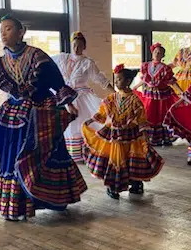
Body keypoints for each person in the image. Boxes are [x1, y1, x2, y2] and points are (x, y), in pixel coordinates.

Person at [0, 15, 87, 221]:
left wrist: (69, 104)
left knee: (47, 155)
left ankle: (54, 199)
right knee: (14, 157)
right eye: (1, 30)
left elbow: (56, 82)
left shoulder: (38, 57)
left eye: (8, 29)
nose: (3, 34)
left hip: (41, 116)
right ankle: (17, 206)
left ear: (21, 32)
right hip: (15, 117)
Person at [82, 64, 164, 199]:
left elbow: (141, 118)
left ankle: (136, 184)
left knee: (130, 159)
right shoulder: (111, 98)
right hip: (113, 133)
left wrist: (145, 136)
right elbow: (102, 113)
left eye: (119, 79)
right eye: (115, 79)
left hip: (131, 134)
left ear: (127, 82)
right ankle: (113, 186)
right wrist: (90, 121)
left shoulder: (135, 100)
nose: (116, 82)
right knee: (114, 159)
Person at [52, 31, 113, 162]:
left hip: (82, 96)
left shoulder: (87, 63)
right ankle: (70, 153)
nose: (76, 48)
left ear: (84, 47)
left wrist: (114, 92)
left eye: (79, 45)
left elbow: (100, 79)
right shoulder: (62, 58)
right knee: (67, 124)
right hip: (64, 96)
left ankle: (86, 151)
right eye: (74, 45)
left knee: (82, 121)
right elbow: (47, 64)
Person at [133, 42, 180, 146]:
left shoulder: (165, 68)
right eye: (156, 52)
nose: (157, 54)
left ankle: (164, 138)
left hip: (162, 96)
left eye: (160, 53)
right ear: (152, 53)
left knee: (161, 115)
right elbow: (145, 80)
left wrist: (180, 91)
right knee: (149, 114)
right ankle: (151, 138)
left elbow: (171, 81)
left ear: (163, 55)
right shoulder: (146, 66)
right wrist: (136, 86)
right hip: (150, 94)